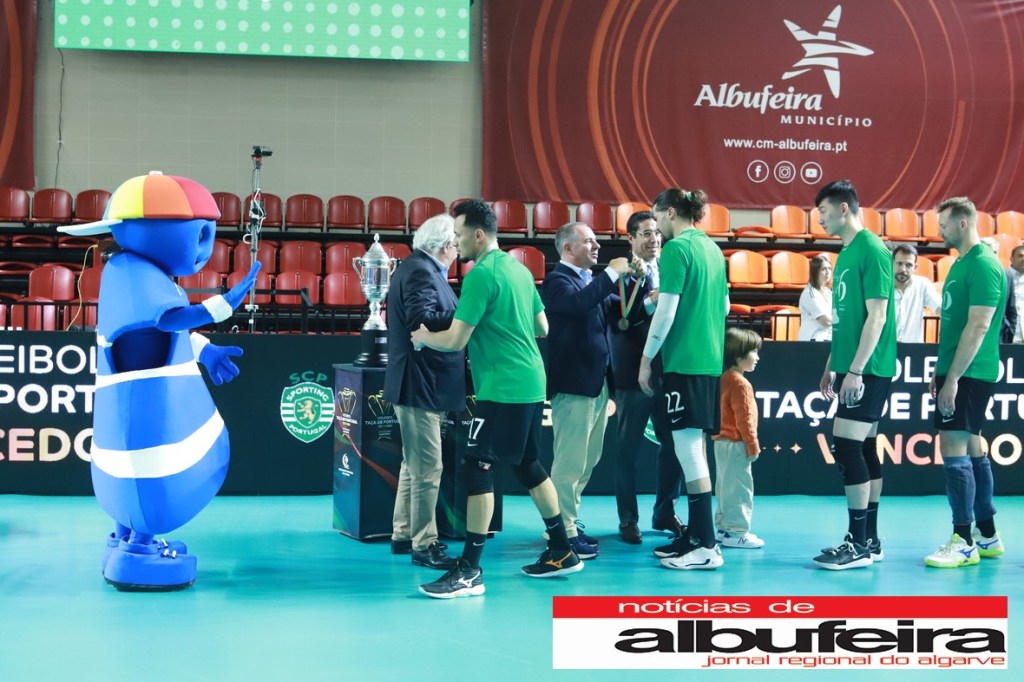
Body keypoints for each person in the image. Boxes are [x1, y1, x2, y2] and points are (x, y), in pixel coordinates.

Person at [410, 199, 582, 598]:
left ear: (478, 235)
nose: (456, 241)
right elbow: (542, 327)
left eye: (459, 235)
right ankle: (562, 550)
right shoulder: (519, 269)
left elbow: (455, 339)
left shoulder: (481, 275)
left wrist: (423, 337)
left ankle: (469, 569)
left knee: (477, 468)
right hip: (531, 381)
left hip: (504, 387)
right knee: (527, 463)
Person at [639, 188, 729, 571]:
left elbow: (667, 312)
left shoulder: (677, 249)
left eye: (657, 216)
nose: (656, 226)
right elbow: (724, 305)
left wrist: (646, 358)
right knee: (692, 449)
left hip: (684, 362)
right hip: (708, 361)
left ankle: (706, 545)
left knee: (689, 451)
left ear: (671, 212)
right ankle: (695, 536)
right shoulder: (712, 249)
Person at [812, 180, 896, 571]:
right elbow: (846, 319)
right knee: (863, 448)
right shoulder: (846, 253)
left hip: (870, 367)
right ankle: (870, 540)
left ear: (843, 208)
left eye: (823, 211)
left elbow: (877, 316)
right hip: (851, 365)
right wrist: (833, 365)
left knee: (847, 447)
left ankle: (857, 543)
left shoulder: (873, 250)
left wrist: (857, 369)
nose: (820, 219)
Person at [541, 222, 633, 559]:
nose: (597, 246)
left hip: (597, 384)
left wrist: (644, 289)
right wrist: (611, 273)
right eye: (589, 241)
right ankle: (563, 531)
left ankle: (567, 521)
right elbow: (579, 304)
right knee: (569, 463)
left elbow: (616, 306)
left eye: (596, 241)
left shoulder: (588, 282)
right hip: (574, 385)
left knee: (588, 460)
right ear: (568, 248)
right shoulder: (557, 281)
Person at [925, 197, 1007, 568]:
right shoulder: (960, 264)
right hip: (957, 369)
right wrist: (941, 372)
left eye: (943, 225)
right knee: (972, 445)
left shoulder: (985, 265)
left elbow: (979, 326)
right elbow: (956, 324)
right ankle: (987, 535)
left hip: (971, 372)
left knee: (954, 447)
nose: (939, 232)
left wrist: (954, 377)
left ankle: (963, 540)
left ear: (962, 223)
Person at [383, 214, 463, 570]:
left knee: (413, 466)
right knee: (428, 468)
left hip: (419, 383)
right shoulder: (421, 271)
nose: (458, 250)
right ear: (444, 245)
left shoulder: (418, 267)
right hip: (420, 383)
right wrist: (467, 315)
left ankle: (403, 534)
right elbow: (422, 317)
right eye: (455, 244)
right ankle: (424, 543)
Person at [609, 211, 685, 545]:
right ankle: (628, 519)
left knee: (674, 444)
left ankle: (665, 511)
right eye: (645, 234)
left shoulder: (671, 267)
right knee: (627, 449)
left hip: (669, 369)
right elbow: (623, 318)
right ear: (631, 239)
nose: (654, 239)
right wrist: (652, 299)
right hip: (632, 371)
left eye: (657, 233)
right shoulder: (620, 272)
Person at [713, 327, 764, 548]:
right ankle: (736, 533)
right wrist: (752, 445)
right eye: (754, 351)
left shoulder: (725, 378)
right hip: (736, 444)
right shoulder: (741, 384)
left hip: (721, 443)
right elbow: (745, 418)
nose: (757, 357)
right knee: (740, 488)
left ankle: (724, 528)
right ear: (738, 355)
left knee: (724, 487)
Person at [891, 243, 943, 343]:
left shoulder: (922, 285)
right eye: (899, 263)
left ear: (915, 267)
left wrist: (946, 325)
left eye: (908, 265)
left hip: (914, 349)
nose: (903, 269)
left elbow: (940, 307)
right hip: (887, 348)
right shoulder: (882, 286)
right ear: (892, 264)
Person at [979, 237, 1018, 344]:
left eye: (995, 252)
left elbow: (1011, 308)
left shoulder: (1007, 275)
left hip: (1001, 337)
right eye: (988, 251)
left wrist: (1010, 331)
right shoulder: (969, 275)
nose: (992, 255)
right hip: (975, 336)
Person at [798, 254, 834, 341]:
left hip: (828, 338)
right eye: (823, 269)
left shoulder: (829, 292)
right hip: (813, 339)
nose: (827, 272)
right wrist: (844, 322)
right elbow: (826, 321)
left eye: (829, 268)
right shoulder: (809, 293)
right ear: (815, 272)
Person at [1009, 245, 1024, 342]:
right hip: (1008, 336)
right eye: (1020, 256)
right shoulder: (1003, 277)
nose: (1023, 259)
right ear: (1011, 259)